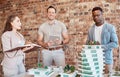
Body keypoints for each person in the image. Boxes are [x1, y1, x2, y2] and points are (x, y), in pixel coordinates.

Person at [86, 7, 118, 77]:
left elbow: (115, 43)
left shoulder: (110, 27)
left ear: (102, 14)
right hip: (94, 61)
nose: (96, 17)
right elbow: (87, 44)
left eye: (98, 15)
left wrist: (100, 47)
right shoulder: (90, 30)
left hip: (106, 61)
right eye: (94, 16)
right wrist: (90, 45)